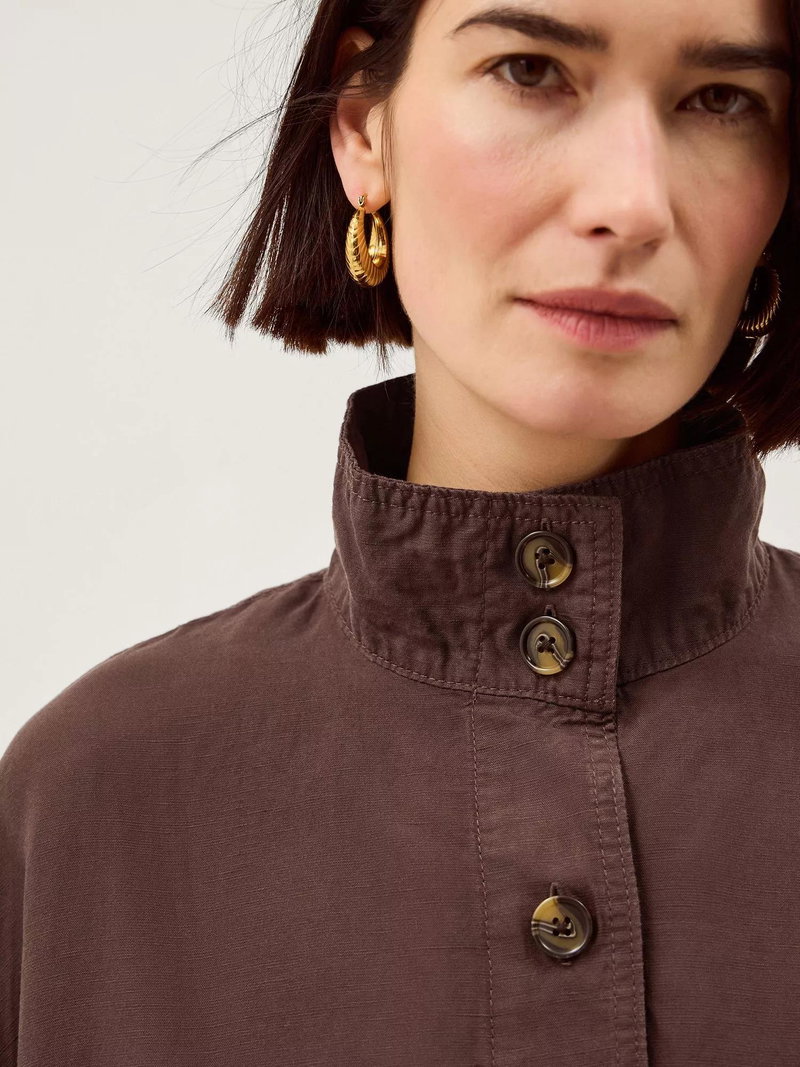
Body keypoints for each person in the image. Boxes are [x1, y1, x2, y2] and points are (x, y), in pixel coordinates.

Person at [2, 0, 799, 1063]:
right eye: (530, 71)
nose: (630, 203)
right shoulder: (88, 800)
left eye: (721, 99)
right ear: (360, 125)